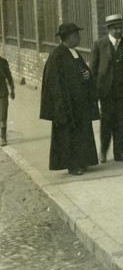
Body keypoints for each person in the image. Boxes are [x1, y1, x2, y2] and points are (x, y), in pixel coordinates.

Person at [40, 23, 100, 176]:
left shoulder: (74, 52)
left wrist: (88, 75)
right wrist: (61, 107)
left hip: (79, 105)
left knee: (81, 133)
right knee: (68, 136)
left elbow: (83, 72)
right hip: (67, 106)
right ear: (68, 38)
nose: (78, 38)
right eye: (76, 35)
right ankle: (73, 166)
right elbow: (53, 83)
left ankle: (83, 161)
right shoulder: (57, 56)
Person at [90, 14, 123, 163]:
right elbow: (94, 69)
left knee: (121, 121)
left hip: (122, 90)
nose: (118, 31)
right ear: (109, 29)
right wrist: (95, 90)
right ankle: (103, 151)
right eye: (115, 28)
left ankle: (119, 152)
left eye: (120, 28)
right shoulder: (99, 44)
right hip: (106, 91)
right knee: (107, 122)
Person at [0, 53, 14, 147]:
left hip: (2, 93)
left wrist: (12, 90)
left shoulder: (3, 62)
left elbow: (9, 77)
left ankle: (3, 137)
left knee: (3, 116)